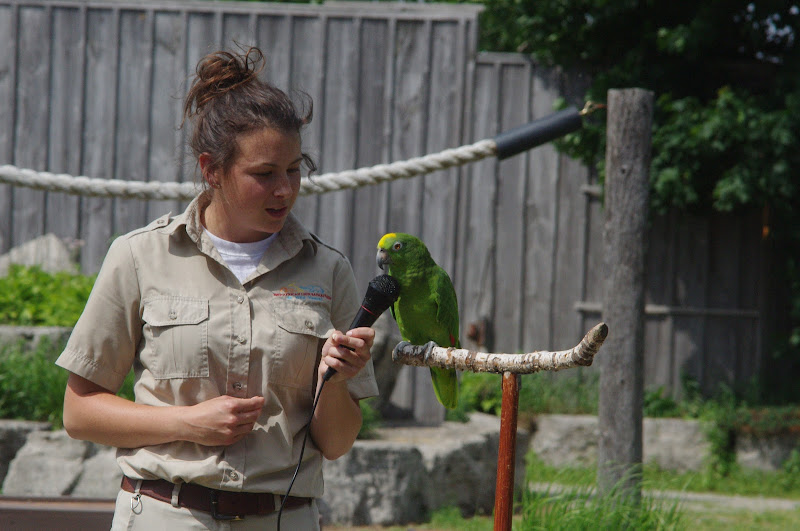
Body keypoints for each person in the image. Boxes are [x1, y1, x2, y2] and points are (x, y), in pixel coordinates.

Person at [56, 45, 378, 530]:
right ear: (212, 169)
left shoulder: (328, 270)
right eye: (264, 174)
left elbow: (335, 443)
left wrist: (335, 381)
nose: (285, 189)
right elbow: (79, 412)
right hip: (163, 515)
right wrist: (187, 423)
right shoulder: (140, 256)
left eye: (294, 169)